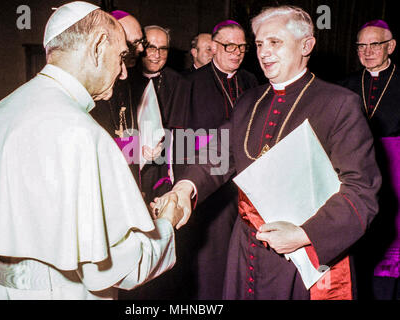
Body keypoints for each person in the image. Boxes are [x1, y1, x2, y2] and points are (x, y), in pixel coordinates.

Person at [0, 1, 183, 300]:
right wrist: (167, 222)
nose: (124, 73)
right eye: (120, 57)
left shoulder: (0, 111)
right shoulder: (83, 135)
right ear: (99, 46)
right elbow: (121, 269)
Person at [156, 5, 381, 300]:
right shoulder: (249, 100)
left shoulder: (339, 104)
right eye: (260, 44)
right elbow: (218, 152)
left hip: (301, 256)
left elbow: (362, 192)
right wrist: (185, 188)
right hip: (245, 247)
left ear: (306, 45)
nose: (264, 52)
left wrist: (303, 235)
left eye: (275, 43)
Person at [174, 20, 258, 300]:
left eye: (242, 47)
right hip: (209, 184)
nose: (236, 52)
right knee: (212, 259)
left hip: (244, 182)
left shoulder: (250, 81)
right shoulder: (190, 83)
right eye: (229, 46)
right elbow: (180, 138)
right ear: (213, 48)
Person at [119, 25, 191, 300]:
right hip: (134, 167)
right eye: (151, 47)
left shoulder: (180, 82)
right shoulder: (125, 78)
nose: (157, 54)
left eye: (163, 49)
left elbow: (185, 129)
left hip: (167, 167)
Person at [339, 20, 400, 300]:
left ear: (391, 46)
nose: (367, 51)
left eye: (374, 44)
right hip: (355, 168)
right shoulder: (346, 85)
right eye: (361, 45)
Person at [89, 10, 146, 184]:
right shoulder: (94, 85)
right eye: (135, 43)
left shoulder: (131, 78)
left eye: (141, 41)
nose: (142, 49)